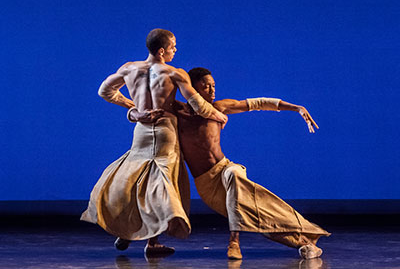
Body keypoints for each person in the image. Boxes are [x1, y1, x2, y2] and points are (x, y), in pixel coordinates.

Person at [132, 67, 330, 259]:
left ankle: (234, 241)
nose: (212, 90)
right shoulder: (178, 112)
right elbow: (145, 106)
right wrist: (134, 114)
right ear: (191, 89)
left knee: (234, 174)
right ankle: (306, 245)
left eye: (213, 85)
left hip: (225, 168)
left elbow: (257, 103)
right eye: (206, 86)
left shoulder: (218, 107)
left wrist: (297, 108)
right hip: (206, 184)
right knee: (255, 216)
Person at [81, 30, 227, 254]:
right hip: (164, 131)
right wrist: (218, 116)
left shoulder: (129, 68)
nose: (175, 50)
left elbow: (105, 91)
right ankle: (151, 241)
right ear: (162, 50)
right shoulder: (174, 73)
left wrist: (136, 110)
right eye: (173, 47)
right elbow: (198, 105)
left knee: (135, 181)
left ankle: (127, 232)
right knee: (161, 184)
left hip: (141, 129)